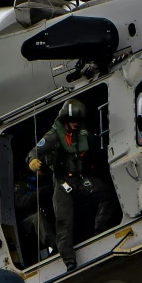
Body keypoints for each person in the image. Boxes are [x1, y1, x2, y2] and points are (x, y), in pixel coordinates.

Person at [26, 101, 107, 264]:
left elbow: (93, 146)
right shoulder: (53, 136)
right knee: (63, 221)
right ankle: (69, 260)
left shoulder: (83, 132)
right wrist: (32, 161)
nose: (75, 124)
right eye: (72, 121)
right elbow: (34, 151)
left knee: (106, 194)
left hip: (81, 179)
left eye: (77, 120)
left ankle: (101, 229)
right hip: (63, 182)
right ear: (64, 120)